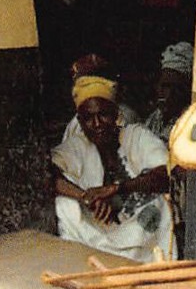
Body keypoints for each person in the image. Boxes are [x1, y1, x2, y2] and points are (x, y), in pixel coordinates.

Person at [51, 66, 174, 262]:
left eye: (103, 115)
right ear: (80, 123)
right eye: (88, 119)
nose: (97, 123)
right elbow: (49, 175)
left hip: (139, 232)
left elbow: (166, 174)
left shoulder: (135, 136)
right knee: (64, 205)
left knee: (159, 206)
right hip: (97, 231)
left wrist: (116, 189)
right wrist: (86, 197)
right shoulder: (77, 146)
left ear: (116, 114)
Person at [142, 41, 194, 141]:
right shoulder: (155, 118)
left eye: (176, 88)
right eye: (165, 86)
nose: (169, 94)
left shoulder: (188, 121)